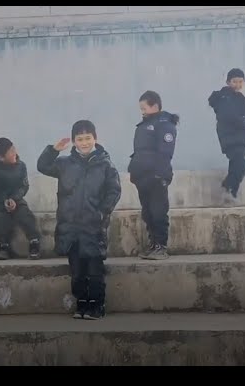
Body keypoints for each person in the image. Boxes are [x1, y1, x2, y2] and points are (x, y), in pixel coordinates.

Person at [37, 120, 121, 320]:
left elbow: (114, 190)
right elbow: (42, 166)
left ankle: (97, 305)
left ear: (95, 139)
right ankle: (81, 304)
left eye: (88, 138)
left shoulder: (105, 164)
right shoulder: (64, 164)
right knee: (77, 271)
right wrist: (53, 150)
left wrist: (103, 211)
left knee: (94, 270)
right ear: (74, 141)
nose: (84, 142)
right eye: (80, 139)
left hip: (93, 227)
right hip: (71, 228)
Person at [128, 91, 179, 261]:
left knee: (158, 212)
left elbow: (165, 152)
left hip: (157, 176)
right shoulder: (144, 125)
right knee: (148, 212)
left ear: (155, 106)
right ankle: (153, 244)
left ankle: (161, 247)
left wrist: (159, 174)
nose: (141, 111)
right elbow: (141, 152)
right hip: (143, 177)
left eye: (144, 107)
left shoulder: (164, 124)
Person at [0, 137, 41, 260]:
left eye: (13, 149)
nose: (15, 153)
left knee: (25, 214)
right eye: (11, 152)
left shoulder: (21, 166)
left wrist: (14, 199)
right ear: (1, 157)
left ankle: (34, 243)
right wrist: (4, 202)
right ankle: (4, 247)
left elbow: (24, 186)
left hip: (17, 201)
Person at [208, 68, 245, 201]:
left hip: (240, 136)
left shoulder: (242, 99)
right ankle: (228, 187)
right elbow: (229, 114)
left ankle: (230, 193)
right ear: (228, 82)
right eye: (234, 81)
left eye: (240, 81)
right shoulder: (225, 96)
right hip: (230, 135)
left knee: (237, 162)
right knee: (243, 162)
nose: (237, 84)